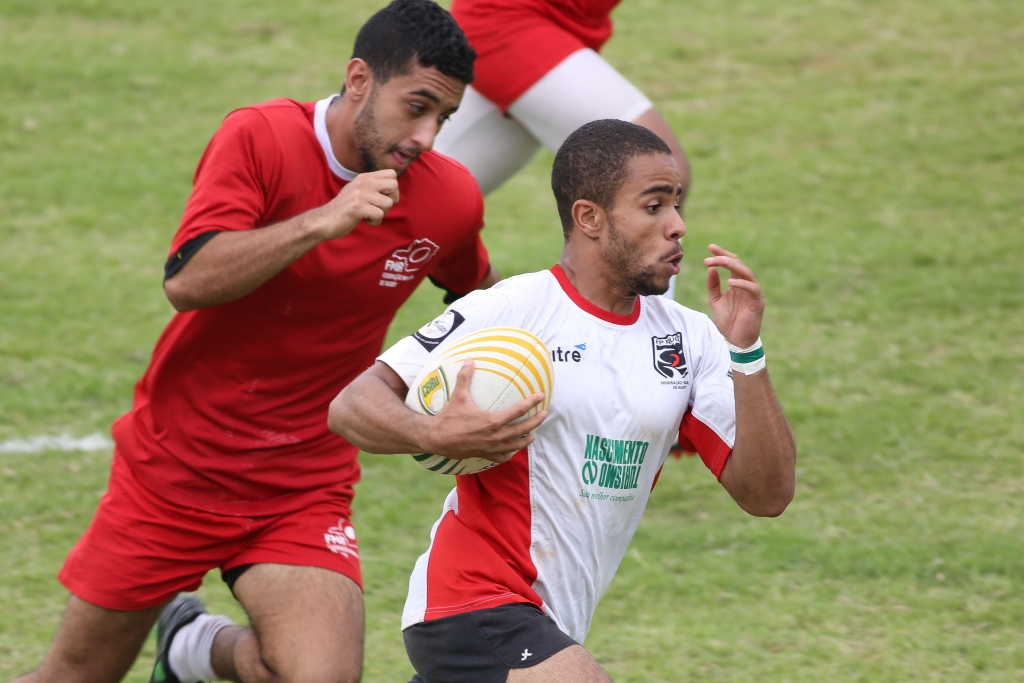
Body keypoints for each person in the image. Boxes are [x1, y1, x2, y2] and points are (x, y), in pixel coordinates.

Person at [10, 2, 490, 683]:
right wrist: (323, 220)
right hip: (175, 469)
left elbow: (483, 302)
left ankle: (188, 649)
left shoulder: (448, 199)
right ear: (359, 79)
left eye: (442, 117)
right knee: (74, 676)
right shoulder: (259, 138)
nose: (425, 136)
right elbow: (187, 279)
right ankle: (188, 643)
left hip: (304, 485)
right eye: (415, 106)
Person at [329, 119, 797, 683]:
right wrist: (433, 435)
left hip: (553, 620)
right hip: (470, 601)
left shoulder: (691, 339)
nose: (678, 226)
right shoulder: (513, 310)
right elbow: (353, 404)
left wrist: (746, 353)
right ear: (590, 218)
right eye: (654, 207)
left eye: (675, 205)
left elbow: (767, 495)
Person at [433, 0, 691, 299]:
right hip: (509, 19)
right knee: (654, 171)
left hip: (557, 25)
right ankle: (646, 335)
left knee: (421, 196)